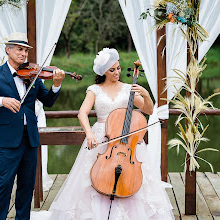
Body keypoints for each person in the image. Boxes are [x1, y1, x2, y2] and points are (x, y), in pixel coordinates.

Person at [30, 48, 174, 220]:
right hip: (101, 137)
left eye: (118, 68)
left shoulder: (129, 88)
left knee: (131, 174)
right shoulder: (94, 90)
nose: (117, 72)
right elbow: (82, 113)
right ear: (103, 72)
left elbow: (148, 110)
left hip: (125, 139)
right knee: (94, 177)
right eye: (112, 70)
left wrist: (146, 95)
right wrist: (89, 134)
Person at [0, 32, 65, 220]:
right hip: (8, 139)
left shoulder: (34, 75)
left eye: (26, 50)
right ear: (8, 50)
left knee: (26, 185)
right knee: (4, 184)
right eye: (19, 49)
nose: (24, 54)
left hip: (30, 138)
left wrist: (56, 85)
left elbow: (47, 102)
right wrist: (1, 100)